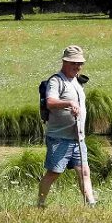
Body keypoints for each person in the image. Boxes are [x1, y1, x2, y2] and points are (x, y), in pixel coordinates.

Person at [37, 45, 96, 207]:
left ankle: (91, 204)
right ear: (65, 61)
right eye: (74, 63)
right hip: (59, 138)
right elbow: (50, 102)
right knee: (54, 173)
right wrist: (69, 103)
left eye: (80, 63)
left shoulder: (76, 81)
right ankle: (40, 204)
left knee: (84, 172)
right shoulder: (56, 81)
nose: (77, 66)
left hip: (78, 137)